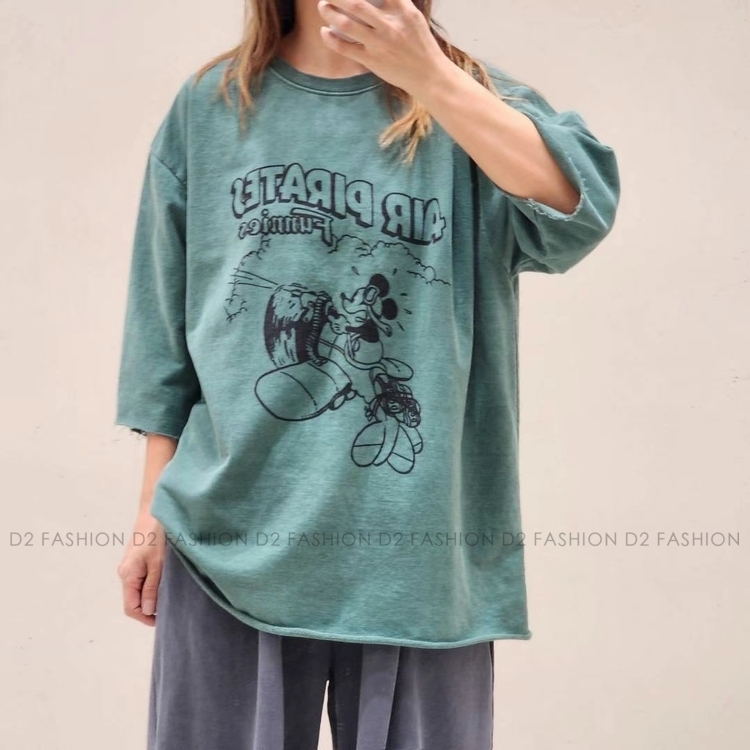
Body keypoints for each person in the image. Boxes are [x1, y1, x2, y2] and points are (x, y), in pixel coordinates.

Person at [114, 1, 621, 748]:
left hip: (416, 560)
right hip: (226, 544)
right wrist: (148, 515)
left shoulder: (471, 100)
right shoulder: (211, 106)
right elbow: (161, 334)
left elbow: (580, 211)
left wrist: (430, 78)